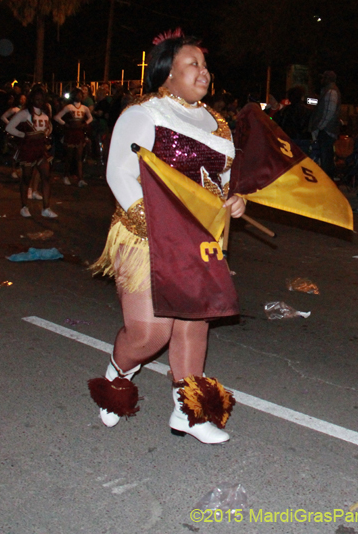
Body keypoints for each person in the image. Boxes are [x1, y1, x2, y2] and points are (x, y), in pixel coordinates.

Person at [89, 30, 245, 444]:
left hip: (198, 240)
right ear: (167, 73)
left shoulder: (220, 124)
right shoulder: (147, 112)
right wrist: (157, 227)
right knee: (149, 335)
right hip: (144, 235)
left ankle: (189, 413)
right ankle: (118, 377)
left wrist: (234, 202)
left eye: (205, 65)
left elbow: (220, 184)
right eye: (193, 64)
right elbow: (119, 173)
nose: (204, 72)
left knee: (194, 328)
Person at [5, 86, 58, 219]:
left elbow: (48, 128)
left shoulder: (45, 113)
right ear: (32, 99)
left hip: (40, 150)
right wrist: (24, 135)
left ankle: (46, 208)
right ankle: (24, 206)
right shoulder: (24, 113)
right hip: (28, 150)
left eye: (41, 99)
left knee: (46, 177)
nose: (39, 101)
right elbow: (9, 127)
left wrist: (45, 135)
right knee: (26, 179)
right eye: (37, 98)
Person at [54, 87, 93, 187]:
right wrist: (66, 124)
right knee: (69, 156)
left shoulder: (85, 108)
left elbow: (90, 118)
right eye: (77, 94)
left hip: (79, 133)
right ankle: (66, 176)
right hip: (70, 133)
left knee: (79, 157)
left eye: (80, 95)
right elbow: (57, 117)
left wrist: (84, 124)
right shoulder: (69, 107)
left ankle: (80, 178)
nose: (79, 96)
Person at [308, 70, 341, 176]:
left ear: (327, 79)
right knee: (326, 158)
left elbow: (328, 112)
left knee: (326, 159)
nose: (321, 80)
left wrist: (319, 127)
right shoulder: (329, 90)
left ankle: (328, 183)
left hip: (326, 131)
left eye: (323, 78)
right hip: (327, 130)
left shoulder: (331, 91)